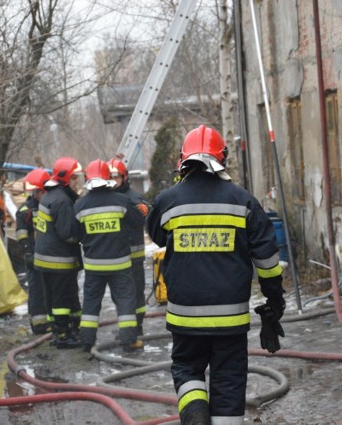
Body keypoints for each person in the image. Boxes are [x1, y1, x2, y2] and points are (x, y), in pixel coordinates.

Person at [146, 125, 285, 425]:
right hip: (230, 322)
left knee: (187, 370)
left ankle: (196, 417)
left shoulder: (167, 202)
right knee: (229, 381)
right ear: (223, 159)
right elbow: (268, 262)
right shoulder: (245, 202)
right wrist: (275, 304)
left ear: (183, 160)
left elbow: (157, 236)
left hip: (185, 318)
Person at [74, 160, 144, 353]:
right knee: (125, 300)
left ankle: (87, 342)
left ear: (88, 179)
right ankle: (129, 340)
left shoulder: (80, 205)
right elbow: (137, 221)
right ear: (108, 179)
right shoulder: (121, 201)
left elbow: (74, 233)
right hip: (120, 264)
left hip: (94, 266)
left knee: (91, 302)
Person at [34, 157, 84, 348]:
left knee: (53, 299)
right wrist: (83, 234)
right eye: (73, 179)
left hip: (46, 259)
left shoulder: (49, 195)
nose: (76, 183)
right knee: (64, 300)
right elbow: (67, 234)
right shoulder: (62, 201)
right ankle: (65, 336)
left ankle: (60, 332)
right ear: (64, 179)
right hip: (59, 260)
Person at [108, 158, 151, 335]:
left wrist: (146, 209)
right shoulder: (107, 198)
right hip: (116, 257)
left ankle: (137, 326)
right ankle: (127, 327)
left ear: (124, 177)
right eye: (109, 178)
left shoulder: (134, 197)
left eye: (116, 177)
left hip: (133, 257)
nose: (113, 181)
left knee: (137, 293)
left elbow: (149, 212)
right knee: (120, 295)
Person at [16, 168, 52, 334]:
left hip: (50, 257)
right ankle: (39, 325)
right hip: (34, 257)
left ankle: (52, 322)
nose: (40, 194)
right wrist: (27, 253)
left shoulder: (52, 205)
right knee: (37, 292)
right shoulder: (25, 211)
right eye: (38, 192)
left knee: (51, 290)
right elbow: (21, 234)